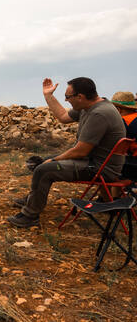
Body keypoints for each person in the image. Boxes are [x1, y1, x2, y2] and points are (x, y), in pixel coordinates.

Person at [7, 77, 126, 227]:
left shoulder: (99, 114)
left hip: (100, 169)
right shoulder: (88, 107)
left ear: (80, 97)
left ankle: (30, 216)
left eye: (68, 97)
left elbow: (80, 151)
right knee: (43, 162)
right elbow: (63, 117)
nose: (65, 100)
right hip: (92, 162)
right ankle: (33, 200)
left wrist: (55, 160)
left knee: (44, 169)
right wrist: (48, 96)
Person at [111, 91, 137, 180]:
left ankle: (107, 194)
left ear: (118, 110)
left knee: (106, 164)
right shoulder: (134, 118)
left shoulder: (123, 122)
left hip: (134, 165)